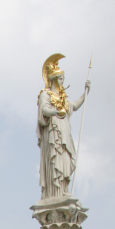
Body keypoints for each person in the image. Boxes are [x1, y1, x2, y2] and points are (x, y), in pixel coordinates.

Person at [37, 54, 90, 199]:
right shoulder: (45, 94)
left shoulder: (63, 99)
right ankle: (54, 192)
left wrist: (85, 93)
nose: (62, 81)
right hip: (53, 132)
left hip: (64, 131)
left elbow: (75, 106)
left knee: (66, 158)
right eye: (60, 79)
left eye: (63, 79)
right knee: (55, 161)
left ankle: (63, 188)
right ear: (53, 79)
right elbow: (44, 110)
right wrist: (56, 112)